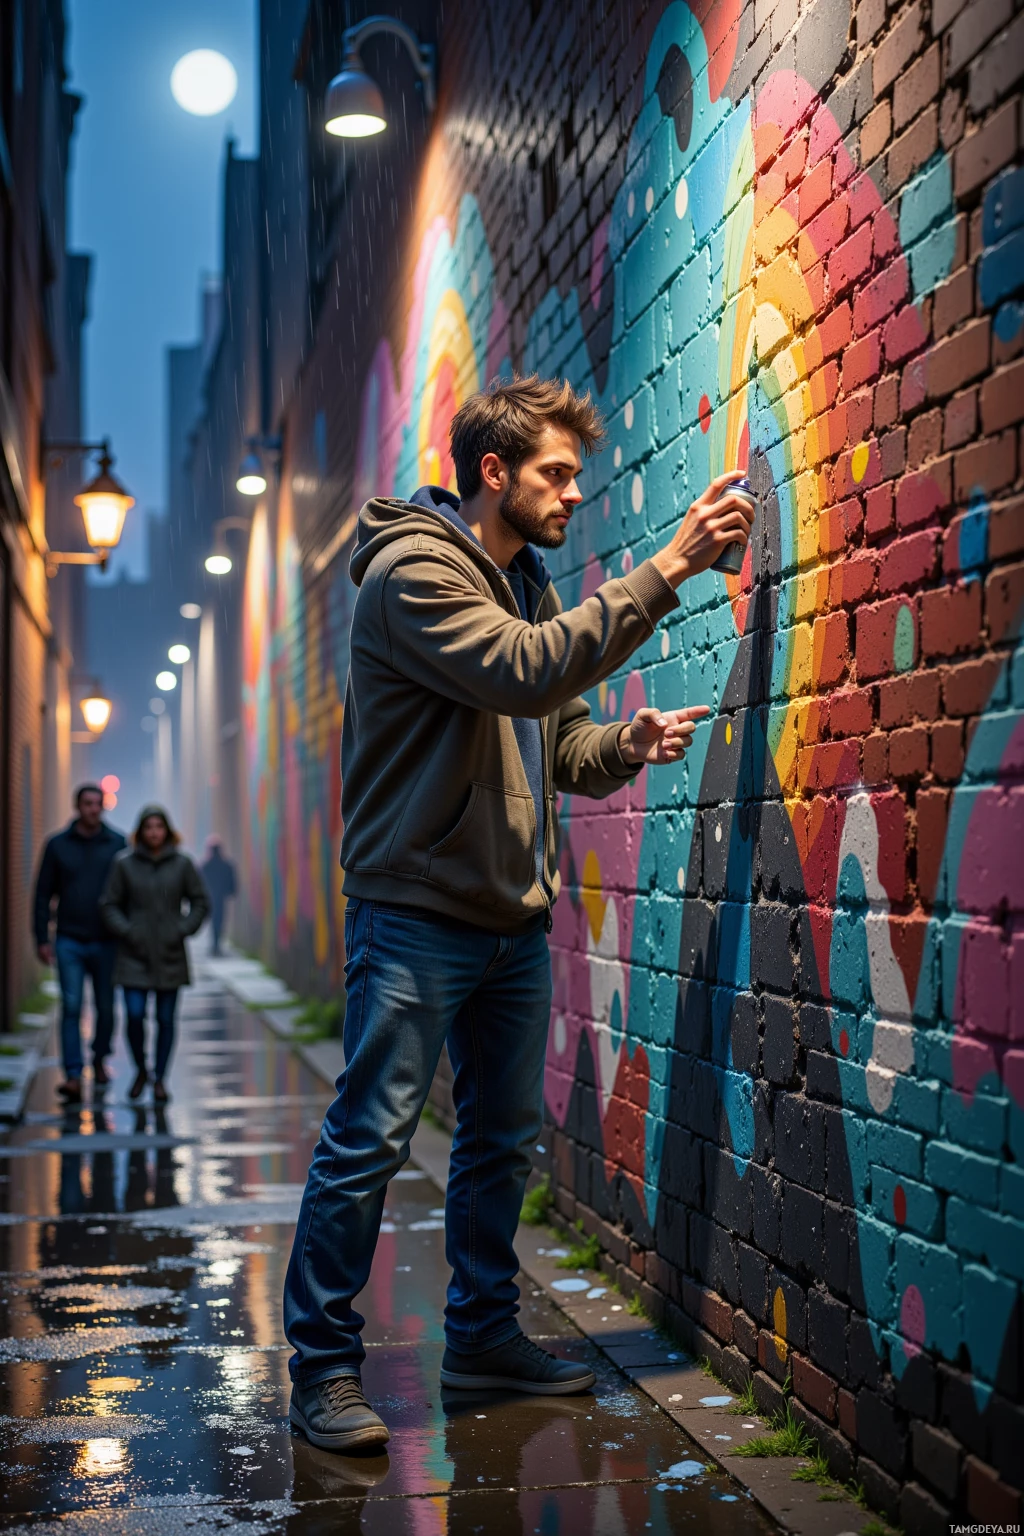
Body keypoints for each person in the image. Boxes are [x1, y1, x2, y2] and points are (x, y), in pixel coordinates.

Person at [283, 374, 754, 1452]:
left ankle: (484, 1339)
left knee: (498, 1144)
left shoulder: (526, 582)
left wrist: (624, 746)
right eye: (555, 472)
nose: (574, 492)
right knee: (370, 1140)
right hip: (413, 914)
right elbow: (524, 674)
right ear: (491, 472)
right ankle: (322, 1372)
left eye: (577, 474)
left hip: (508, 919)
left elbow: (564, 739)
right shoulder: (411, 576)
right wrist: (673, 564)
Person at [99, 805, 209, 1104]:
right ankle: (140, 1070)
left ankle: (160, 1078)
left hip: (170, 954)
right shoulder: (124, 864)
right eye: (148, 827)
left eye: (159, 827)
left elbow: (200, 902)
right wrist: (128, 931)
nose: (154, 833)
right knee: (134, 1016)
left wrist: (181, 929)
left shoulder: (183, 864)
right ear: (140, 831)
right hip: (133, 955)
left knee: (165, 1019)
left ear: (167, 830)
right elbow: (109, 904)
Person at [33, 784, 126, 1103]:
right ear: (77, 806)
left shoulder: (117, 844)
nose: (93, 810)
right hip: (69, 939)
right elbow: (43, 893)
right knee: (71, 1007)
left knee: (105, 1007)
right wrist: (41, 938)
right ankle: (73, 1074)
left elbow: (128, 893)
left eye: (98, 804)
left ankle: (99, 1059)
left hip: (107, 940)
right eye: (88, 804)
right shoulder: (58, 845)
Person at [201, 837, 237, 955]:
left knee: (215, 922)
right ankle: (216, 944)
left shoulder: (207, 865)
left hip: (213, 898)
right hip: (218, 898)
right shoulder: (224, 865)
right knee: (218, 921)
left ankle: (215, 944)